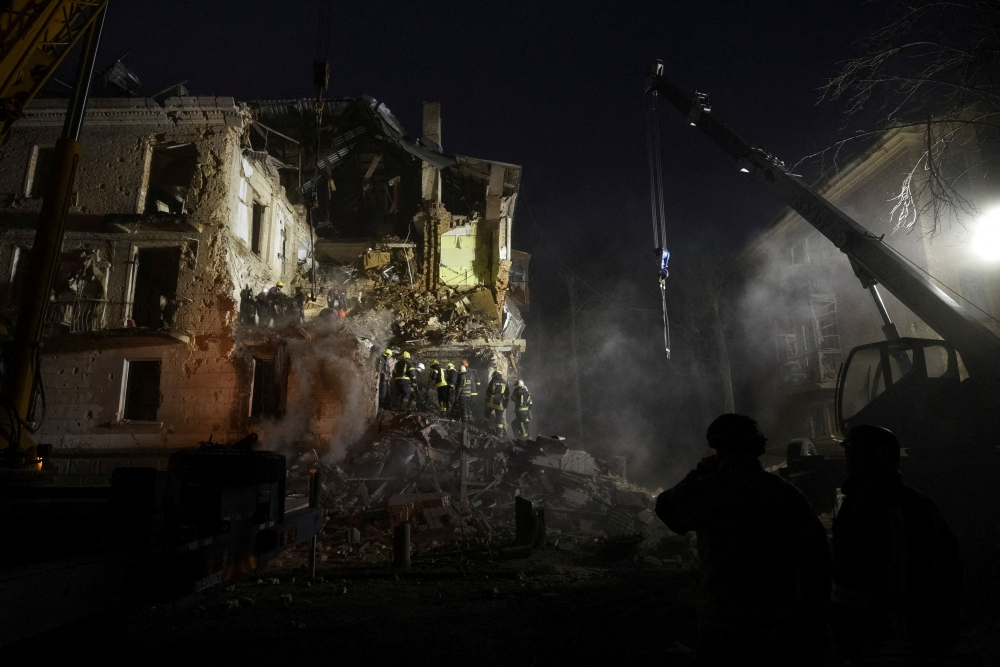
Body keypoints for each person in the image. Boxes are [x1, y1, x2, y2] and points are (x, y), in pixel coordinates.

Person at [655, 414, 830, 667]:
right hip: (775, 626)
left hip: (719, 626)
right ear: (759, 447)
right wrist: (814, 627)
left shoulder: (707, 490)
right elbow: (817, 560)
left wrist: (700, 472)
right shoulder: (783, 492)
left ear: (717, 449)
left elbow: (666, 511)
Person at [831, 424, 962, 664]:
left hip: (878, 635)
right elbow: (951, 568)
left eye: (851, 453)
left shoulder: (860, 507)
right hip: (923, 631)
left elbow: (847, 578)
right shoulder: (921, 504)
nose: (848, 461)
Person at [484, 371, 510, 437]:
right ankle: (499, 433)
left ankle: (484, 427)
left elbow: (488, 392)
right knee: (499, 417)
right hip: (500, 402)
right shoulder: (505, 382)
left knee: (487, 413)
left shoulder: (492, 381)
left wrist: (486, 400)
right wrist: (505, 403)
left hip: (491, 401)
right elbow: (507, 394)